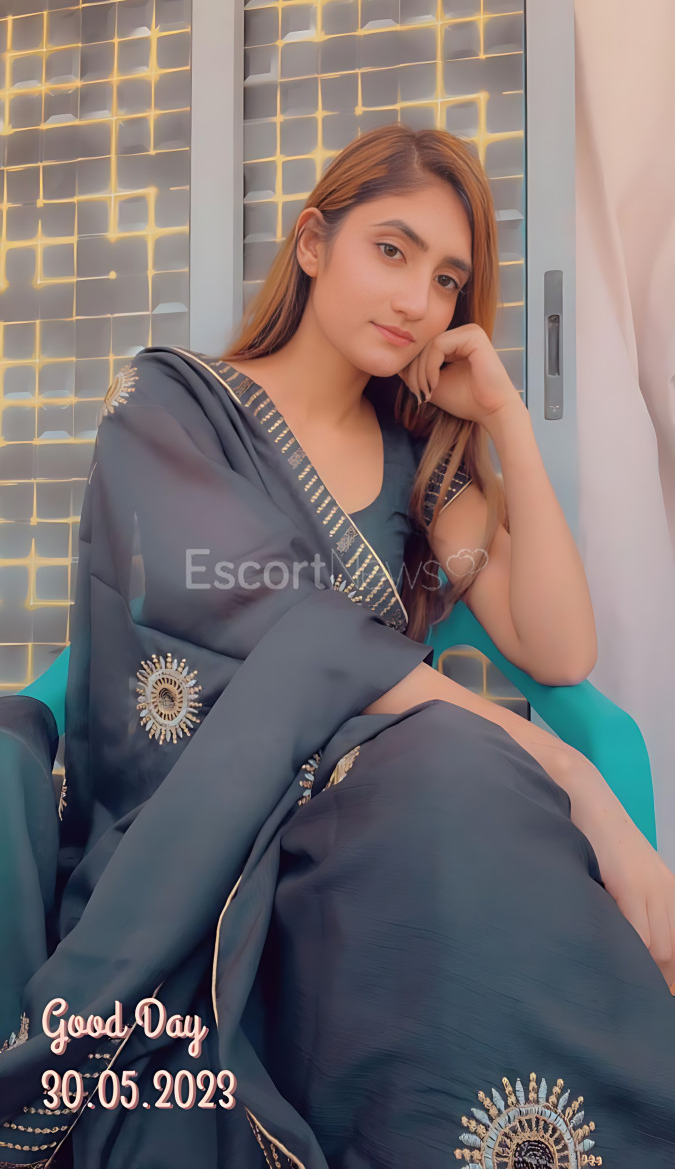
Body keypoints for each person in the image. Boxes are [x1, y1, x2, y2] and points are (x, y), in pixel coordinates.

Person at [0, 122, 674, 1169]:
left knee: (450, 783)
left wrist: (505, 417)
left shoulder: (421, 463)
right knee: (459, 768)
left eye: (446, 280)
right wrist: (565, 771)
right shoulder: (173, 406)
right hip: (206, 818)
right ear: (314, 244)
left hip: (379, 801)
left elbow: (558, 651)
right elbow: (272, 620)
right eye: (391, 250)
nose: (417, 300)